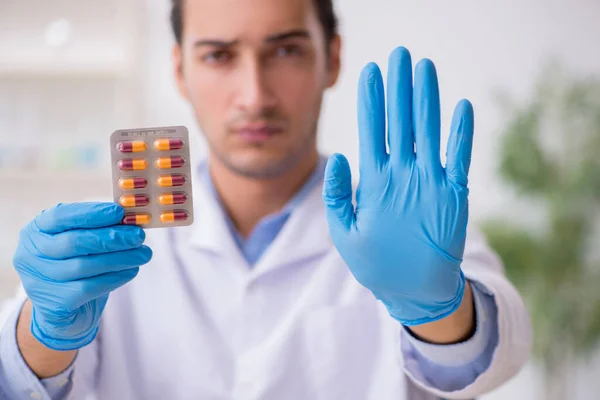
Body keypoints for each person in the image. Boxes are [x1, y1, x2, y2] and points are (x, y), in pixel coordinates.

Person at [0, 0, 532, 399]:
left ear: (332, 59)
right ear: (181, 69)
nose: (254, 94)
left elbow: (496, 354)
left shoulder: (406, 227)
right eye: (218, 55)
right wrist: (45, 332)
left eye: (285, 50)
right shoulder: (104, 242)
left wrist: (435, 308)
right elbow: (16, 378)